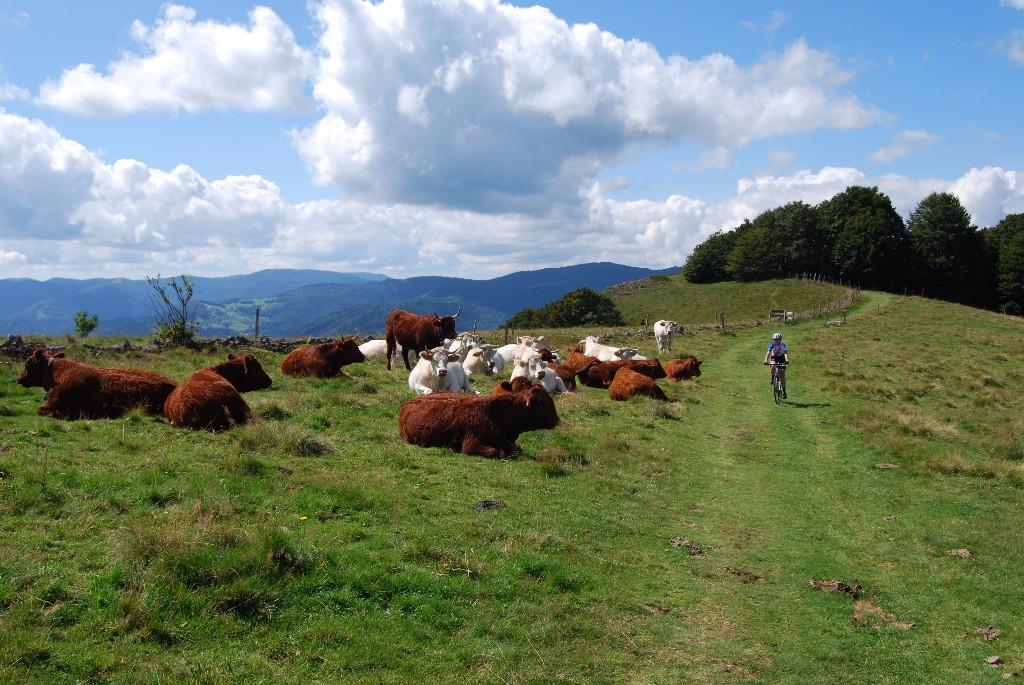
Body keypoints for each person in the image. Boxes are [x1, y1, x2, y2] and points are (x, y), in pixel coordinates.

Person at [763, 332, 789, 398]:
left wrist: (786, 360)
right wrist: (766, 360)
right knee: (773, 366)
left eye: (777, 339)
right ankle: (772, 377)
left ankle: (784, 391)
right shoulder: (772, 345)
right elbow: (768, 353)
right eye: (774, 339)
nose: (776, 341)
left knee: (782, 375)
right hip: (774, 358)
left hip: (781, 358)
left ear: (780, 339)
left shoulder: (784, 345)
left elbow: (785, 353)